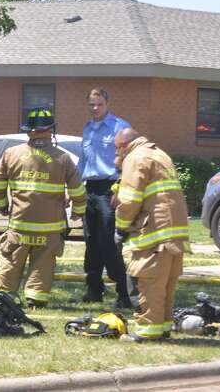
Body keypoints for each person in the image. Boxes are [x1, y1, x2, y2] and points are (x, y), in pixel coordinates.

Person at [0, 107, 86, 308]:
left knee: (10, 263)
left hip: (19, 226)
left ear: (29, 130)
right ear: (51, 130)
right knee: (42, 266)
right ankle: (36, 301)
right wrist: (78, 211)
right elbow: (77, 190)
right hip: (49, 229)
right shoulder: (63, 158)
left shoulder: (11, 154)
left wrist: (2, 206)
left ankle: (3, 301)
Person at [113, 127, 189, 342]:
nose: (116, 153)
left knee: (149, 282)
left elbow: (129, 199)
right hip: (173, 232)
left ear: (124, 145)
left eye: (117, 148)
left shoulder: (135, 158)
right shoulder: (159, 154)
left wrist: (120, 227)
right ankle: (163, 327)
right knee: (165, 284)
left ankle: (147, 332)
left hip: (154, 231)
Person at [78, 86, 133, 308]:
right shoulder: (87, 129)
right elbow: (83, 161)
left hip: (109, 188)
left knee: (109, 242)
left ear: (107, 104)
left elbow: (130, 161)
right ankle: (93, 290)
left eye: (99, 104)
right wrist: (75, 189)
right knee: (91, 242)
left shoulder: (120, 127)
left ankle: (124, 293)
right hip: (89, 188)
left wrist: (119, 188)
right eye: (92, 104)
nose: (95, 108)